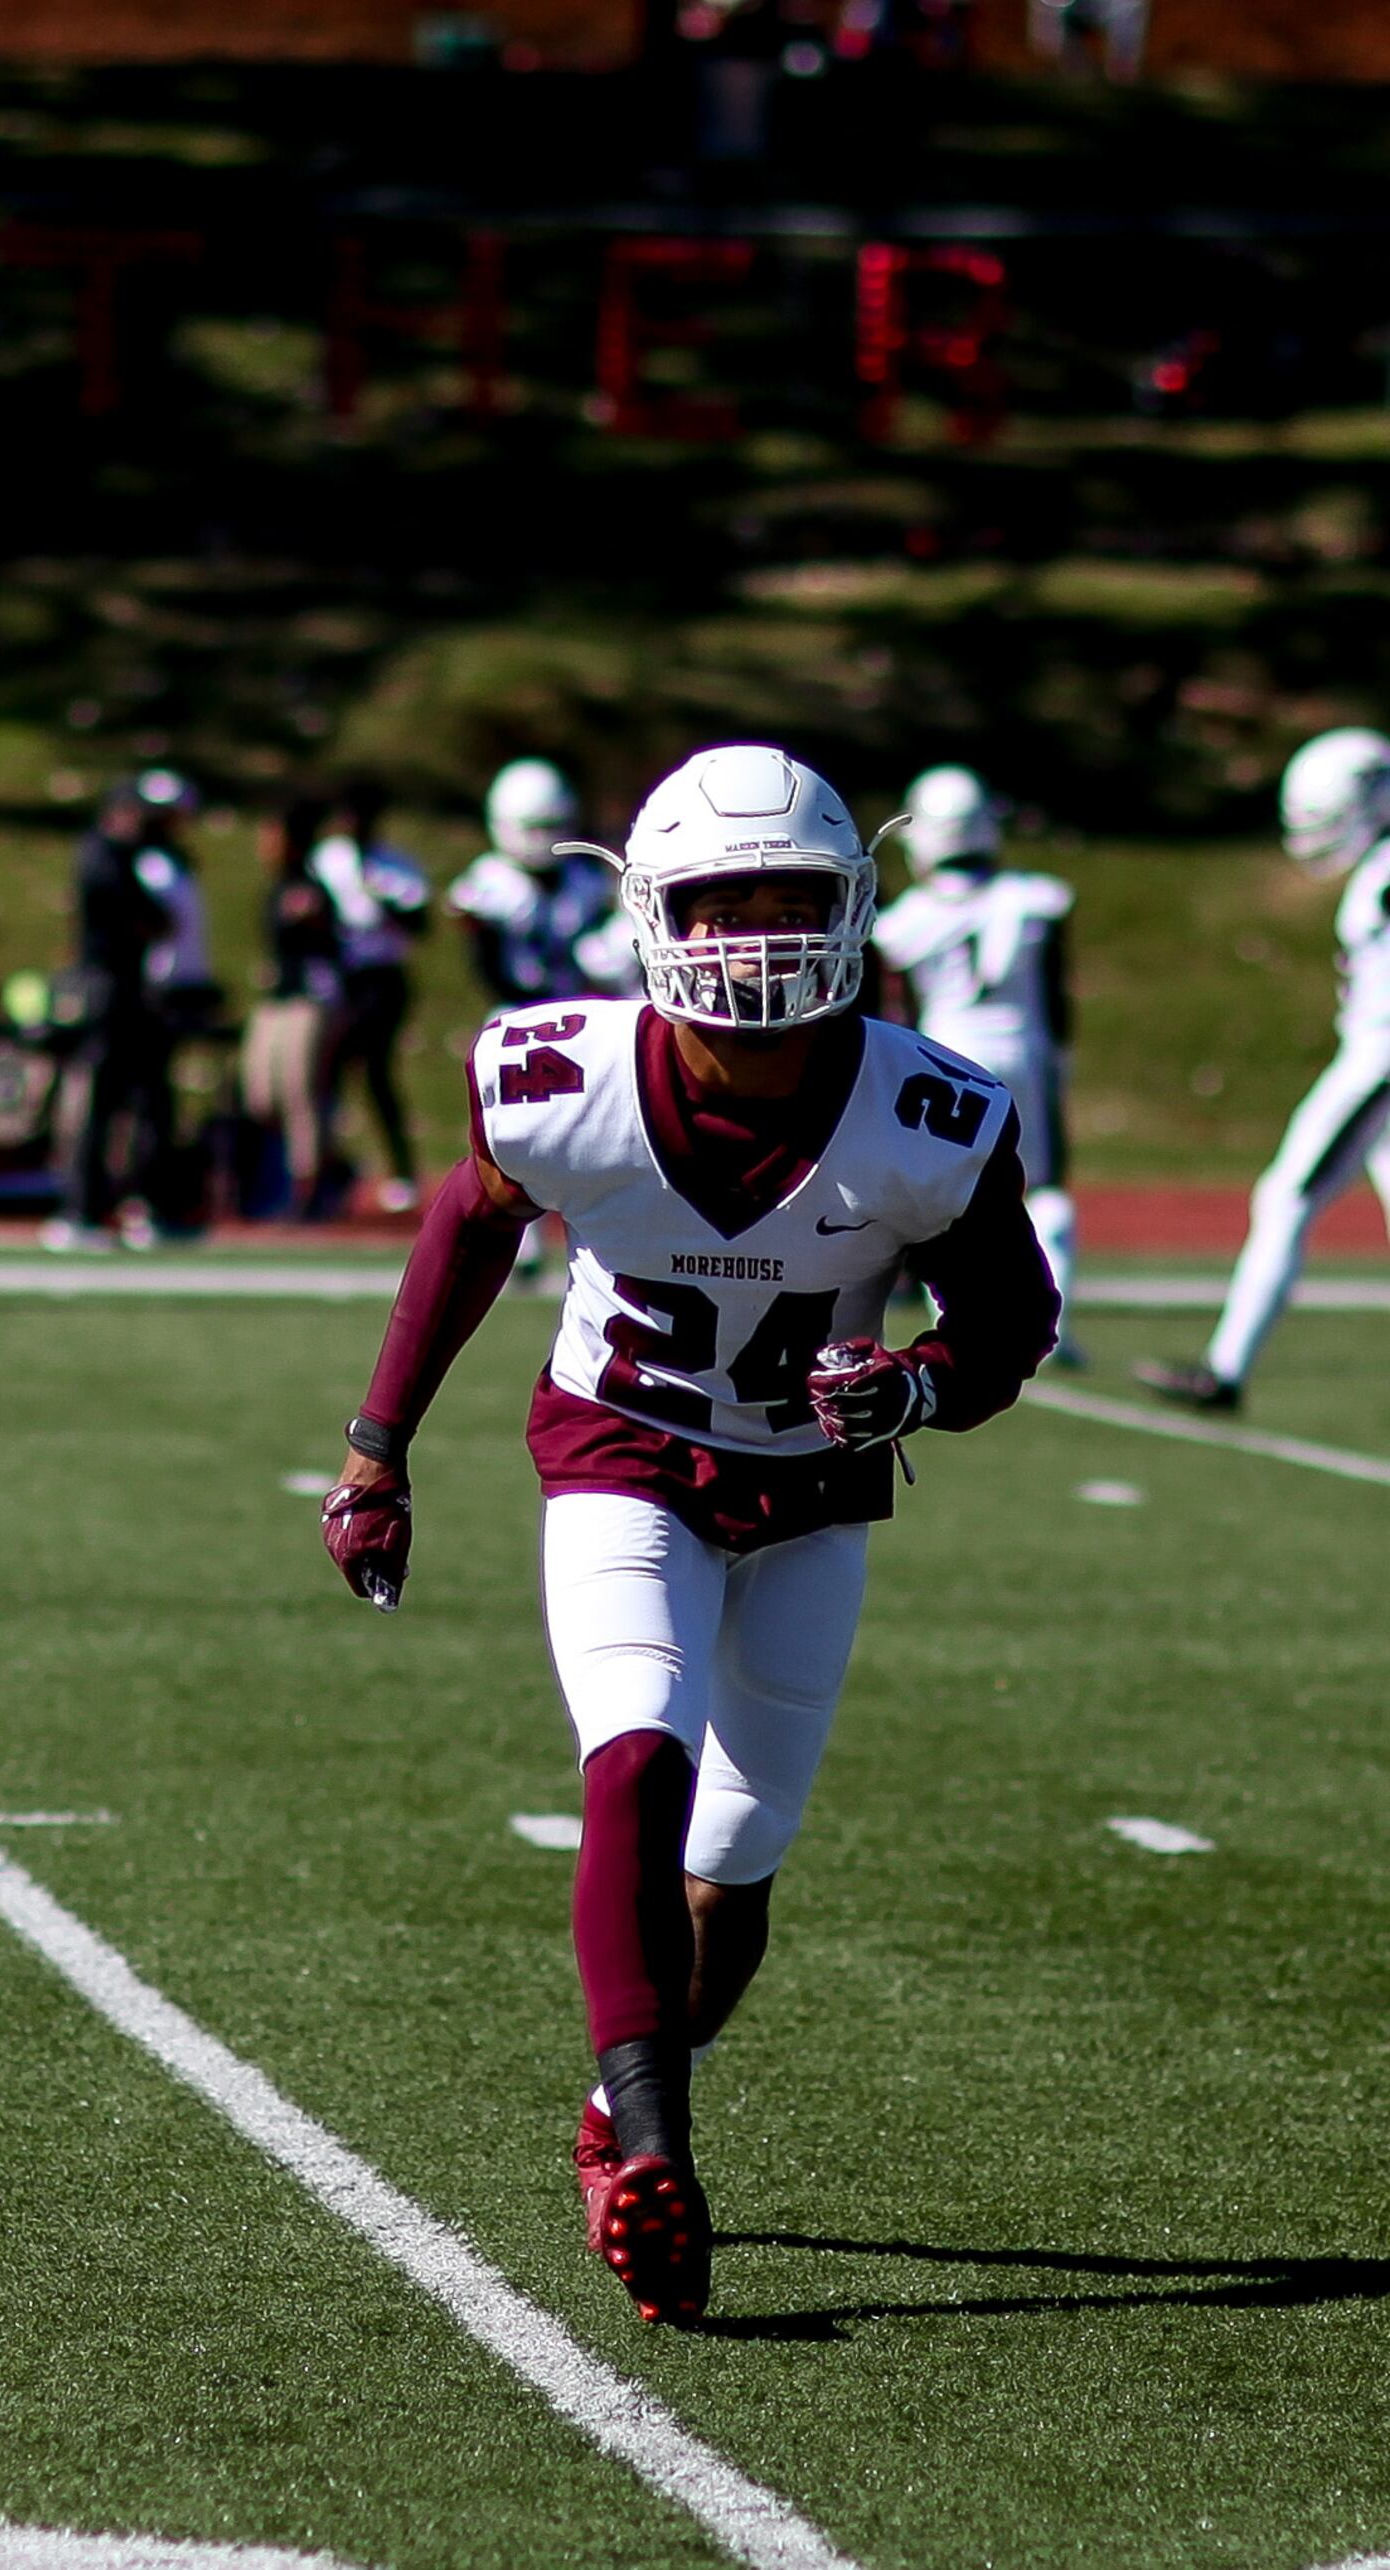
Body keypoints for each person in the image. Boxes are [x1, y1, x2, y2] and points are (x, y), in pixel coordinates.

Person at [317, 744, 1056, 2327]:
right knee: (634, 1754)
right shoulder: (562, 1075)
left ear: (857, 909)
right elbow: (466, 1217)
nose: (759, 941)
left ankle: (618, 2109)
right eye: (724, 907)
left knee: (737, 1858)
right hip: (623, 1454)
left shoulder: (927, 1110)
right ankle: (656, 2150)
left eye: (792, 903)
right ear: (655, 916)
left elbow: (1015, 1317)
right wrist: (380, 1448)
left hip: (807, 1495)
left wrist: (918, 1386)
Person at [1142, 727, 1390, 1413]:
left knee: (1286, 1198)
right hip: (1372, 1058)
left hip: (1379, 1063)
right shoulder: (1375, 868)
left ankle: (1225, 1372)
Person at [870, 765, 1081, 1357]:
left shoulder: (905, 921)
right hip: (1023, 1049)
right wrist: (1060, 1059)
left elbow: (899, 1012)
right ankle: (1057, 1314)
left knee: (946, 1191)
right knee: (1044, 1187)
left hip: (942, 1058)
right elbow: (1057, 996)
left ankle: (950, 1314)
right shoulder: (1034, 899)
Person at [48, 779, 165, 1250]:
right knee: (97, 1098)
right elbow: (139, 916)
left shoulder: (118, 857)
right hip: (107, 986)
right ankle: (81, 1207)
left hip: (120, 985)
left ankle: (108, 1202)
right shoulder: (104, 856)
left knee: (126, 1097)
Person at [313, 780, 432, 1212]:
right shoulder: (327, 860)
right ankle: (329, 1166)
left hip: (381, 977)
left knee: (376, 1070)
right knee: (327, 1075)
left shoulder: (396, 866)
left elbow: (421, 922)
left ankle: (400, 1170)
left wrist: (389, 908)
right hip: (338, 975)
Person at [451, 757, 639, 1006]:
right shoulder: (492, 880)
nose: (543, 839)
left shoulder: (584, 875)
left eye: (552, 826)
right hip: (519, 1006)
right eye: (534, 828)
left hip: (582, 1002)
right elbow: (482, 951)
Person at [244, 797, 345, 1221]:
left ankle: (308, 1190)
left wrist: (314, 920)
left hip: (308, 1001)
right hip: (277, 999)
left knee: (300, 1095)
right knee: (260, 1095)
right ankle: (324, 1170)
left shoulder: (310, 888)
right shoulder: (278, 887)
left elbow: (331, 942)